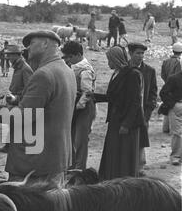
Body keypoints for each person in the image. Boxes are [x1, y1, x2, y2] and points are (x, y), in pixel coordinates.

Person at [5, 30, 77, 187]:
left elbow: (23, 117)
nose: (28, 48)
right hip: (56, 159)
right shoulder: (66, 70)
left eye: (31, 43)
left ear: (45, 44)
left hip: (35, 163)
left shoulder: (43, 74)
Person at [99, 46, 145, 180]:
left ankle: (124, 185)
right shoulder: (116, 73)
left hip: (126, 123)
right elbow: (114, 97)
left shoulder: (132, 74)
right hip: (116, 120)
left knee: (124, 157)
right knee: (114, 154)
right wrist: (94, 97)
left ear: (116, 59)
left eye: (109, 60)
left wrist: (126, 124)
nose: (108, 63)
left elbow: (135, 102)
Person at [62, 41, 96, 170]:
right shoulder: (74, 66)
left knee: (80, 140)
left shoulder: (85, 69)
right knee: (71, 138)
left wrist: (77, 106)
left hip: (84, 107)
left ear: (77, 54)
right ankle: (72, 166)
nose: (68, 60)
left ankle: (79, 169)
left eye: (70, 57)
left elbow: (87, 92)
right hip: (75, 105)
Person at [128, 42, 157, 176]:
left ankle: (140, 166)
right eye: (137, 53)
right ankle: (127, 165)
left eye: (142, 53)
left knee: (141, 138)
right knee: (127, 138)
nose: (140, 56)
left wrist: (147, 112)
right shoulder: (125, 69)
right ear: (130, 54)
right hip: (127, 112)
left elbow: (153, 93)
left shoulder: (149, 71)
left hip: (143, 112)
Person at [0, 44, 34, 154]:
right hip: (14, 101)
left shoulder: (25, 69)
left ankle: (13, 148)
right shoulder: (18, 67)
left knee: (17, 126)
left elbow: (29, 91)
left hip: (19, 103)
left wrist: (16, 98)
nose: (7, 58)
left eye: (9, 55)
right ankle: (9, 146)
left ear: (16, 55)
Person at [159, 71, 182, 165]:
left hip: (176, 105)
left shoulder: (174, 78)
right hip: (177, 106)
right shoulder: (174, 78)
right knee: (177, 132)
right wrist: (172, 104)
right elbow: (163, 93)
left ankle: (176, 156)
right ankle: (176, 156)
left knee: (177, 133)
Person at [160, 42, 182, 133]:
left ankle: (165, 128)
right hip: (176, 88)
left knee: (167, 105)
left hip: (167, 86)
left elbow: (162, 74)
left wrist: (167, 82)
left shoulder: (166, 61)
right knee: (173, 107)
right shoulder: (179, 62)